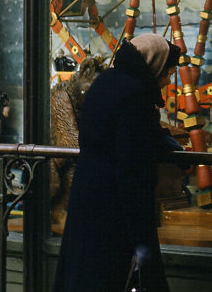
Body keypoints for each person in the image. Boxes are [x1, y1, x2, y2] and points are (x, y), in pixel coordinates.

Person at [53, 33, 184, 292]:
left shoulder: (105, 84)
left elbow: (112, 134)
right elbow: (131, 168)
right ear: (152, 65)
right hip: (113, 214)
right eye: (168, 73)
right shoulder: (135, 95)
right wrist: (142, 241)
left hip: (86, 203)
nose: (169, 80)